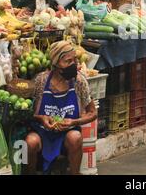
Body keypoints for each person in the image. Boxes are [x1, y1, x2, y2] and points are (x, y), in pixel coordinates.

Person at [25, 41, 97, 175]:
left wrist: (74, 122)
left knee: (75, 137)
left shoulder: (79, 82)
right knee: (30, 142)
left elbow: (93, 112)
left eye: (74, 60)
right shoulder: (41, 80)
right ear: (56, 63)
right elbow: (28, 113)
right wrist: (42, 118)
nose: (73, 64)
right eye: (68, 61)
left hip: (66, 134)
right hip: (42, 132)